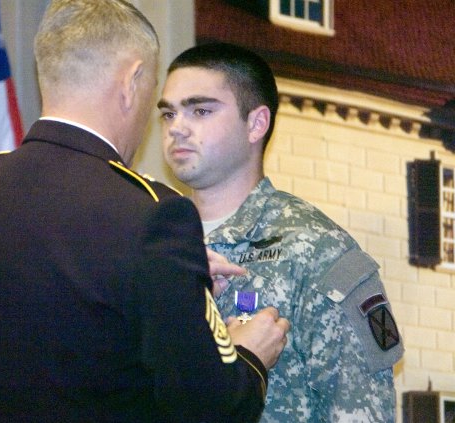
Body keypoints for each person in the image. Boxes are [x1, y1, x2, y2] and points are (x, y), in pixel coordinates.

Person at [0, 1, 289, 422]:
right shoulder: (151, 215)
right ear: (131, 82)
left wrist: (172, 279)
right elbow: (212, 406)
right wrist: (250, 355)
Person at [158, 42, 404, 422]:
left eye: (201, 110)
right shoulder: (154, 245)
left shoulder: (320, 251)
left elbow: (360, 411)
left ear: (256, 124)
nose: (177, 128)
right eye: (168, 113)